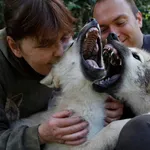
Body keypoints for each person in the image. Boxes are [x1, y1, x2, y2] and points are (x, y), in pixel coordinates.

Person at [0, 0, 89, 149]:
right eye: (46, 44)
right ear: (15, 46)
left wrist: (108, 103)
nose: (60, 52)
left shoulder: (71, 49)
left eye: (64, 38)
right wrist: (39, 135)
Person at [93, 0, 150, 149]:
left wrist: (117, 126)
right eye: (103, 29)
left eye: (120, 22)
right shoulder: (97, 65)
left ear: (138, 19)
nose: (114, 35)